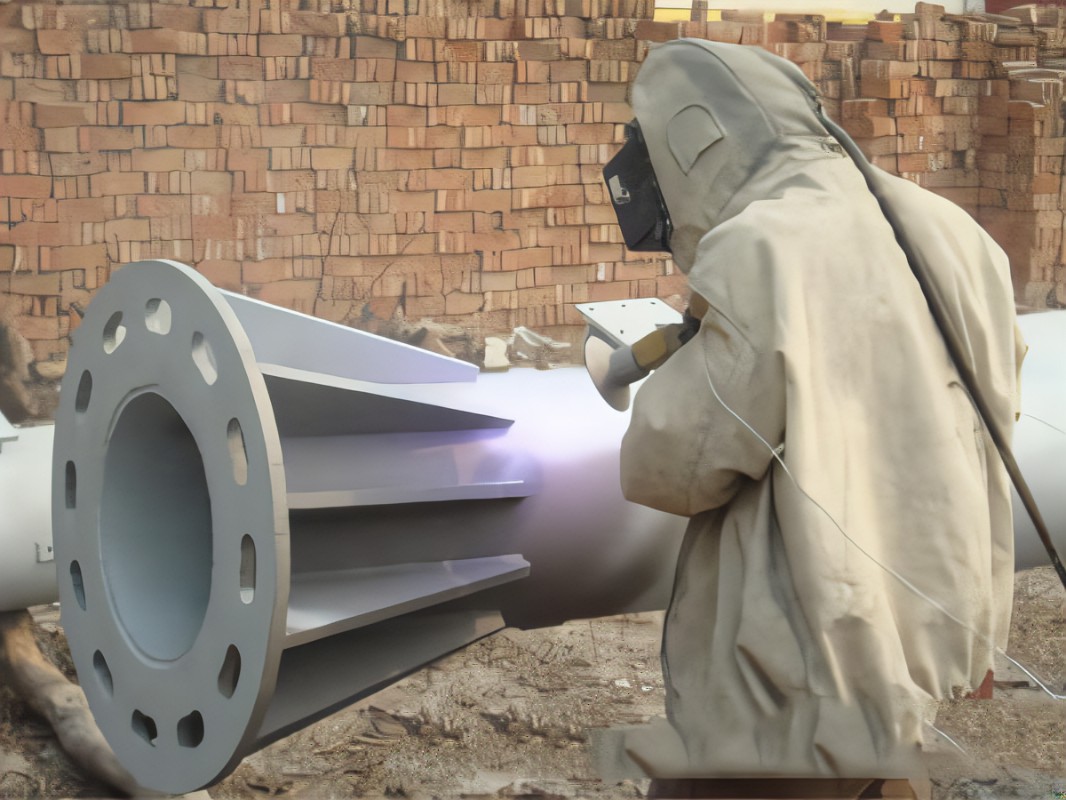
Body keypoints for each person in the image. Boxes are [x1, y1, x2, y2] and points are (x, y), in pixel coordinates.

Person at [602, 39, 1024, 795]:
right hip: (932, 635)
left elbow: (672, 469)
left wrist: (684, 366)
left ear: (692, 148)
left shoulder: (760, 247)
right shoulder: (954, 229)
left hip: (801, 669)